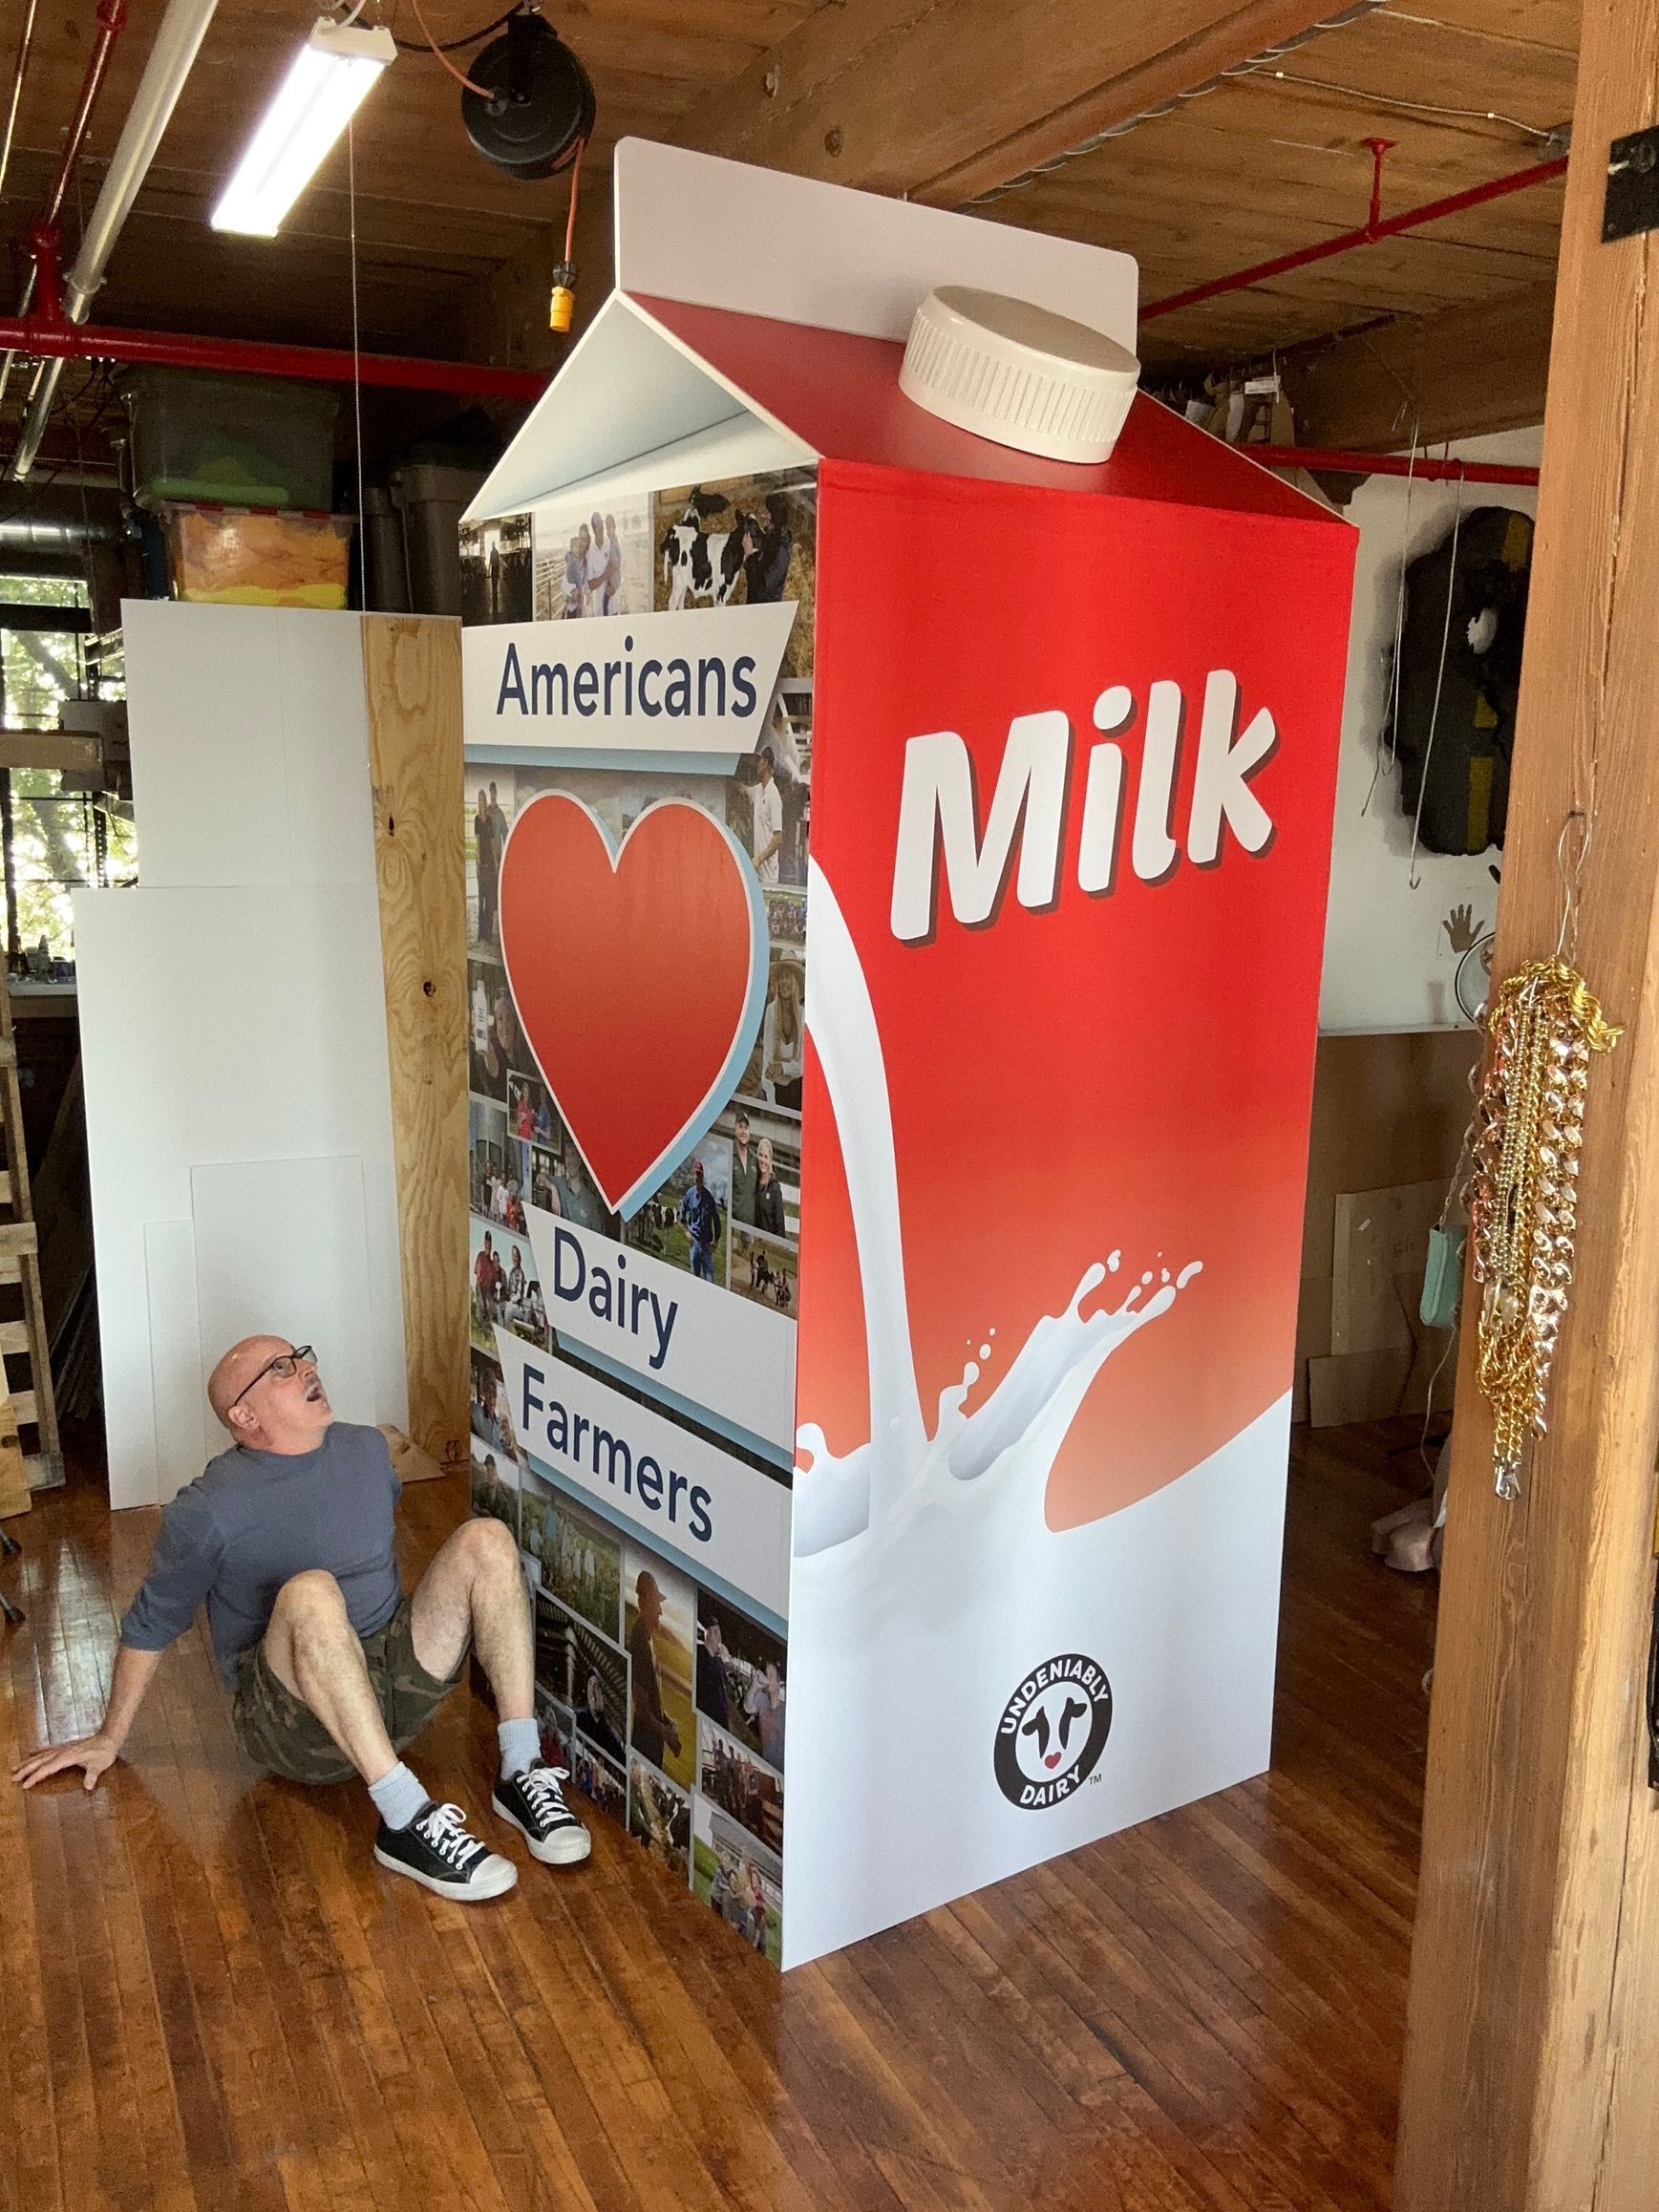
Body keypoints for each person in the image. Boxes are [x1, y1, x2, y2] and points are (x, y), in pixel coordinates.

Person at [11, 1337, 589, 1899]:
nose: (306, 1368)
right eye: (281, 1368)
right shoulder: (208, 1507)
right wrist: (110, 1737)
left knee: (486, 1539)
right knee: (312, 1592)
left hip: (395, 1691)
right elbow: (151, 1622)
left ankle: (521, 1766)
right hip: (294, 1724)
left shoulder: (368, 1450)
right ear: (244, 1415)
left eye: (302, 1356)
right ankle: (404, 1819)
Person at [628, 1570, 681, 1770]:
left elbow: (651, 1699)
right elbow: (641, 1708)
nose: (661, 1611)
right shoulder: (640, 1642)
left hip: (652, 1742)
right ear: (649, 1599)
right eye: (658, 1603)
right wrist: (666, 1734)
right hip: (645, 1744)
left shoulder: (648, 1639)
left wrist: (667, 1719)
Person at [762, 961, 804, 1112]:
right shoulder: (771, 1011)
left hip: (798, 1090)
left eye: (788, 977)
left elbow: (804, 1065)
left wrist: (783, 1067)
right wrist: (770, 1103)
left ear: (795, 982)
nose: (784, 982)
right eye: (781, 977)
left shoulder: (802, 1014)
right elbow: (767, 1056)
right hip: (776, 1088)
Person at [678, 1157, 721, 1284]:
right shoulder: (689, 1194)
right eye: (696, 1175)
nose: (698, 1177)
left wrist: (716, 1243)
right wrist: (686, 1232)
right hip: (694, 1243)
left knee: (710, 1280)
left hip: (707, 1245)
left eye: (700, 1175)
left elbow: (717, 1221)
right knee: (694, 1279)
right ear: (693, 1177)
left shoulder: (709, 1198)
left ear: (703, 1176)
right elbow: (682, 1213)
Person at [750, 746, 783, 887]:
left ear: (767, 764)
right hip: (757, 873)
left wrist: (759, 859)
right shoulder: (758, 791)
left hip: (769, 876)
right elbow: (742, 790)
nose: (757, 764)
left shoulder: (773, 796)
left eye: (760, 760)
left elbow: (778, 838)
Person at [744, 1657, 785, 1769]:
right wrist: (754, 1686)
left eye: (771, 1675)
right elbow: (748, 1708)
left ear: (778, 1684)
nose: (767, 1677)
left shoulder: (785, 1712)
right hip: (766, 1763)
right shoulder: (762, 1700)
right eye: (767, 1674)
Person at [696, 1616, 731, 1731]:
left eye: (719, 1634)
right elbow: (708, 1681)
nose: (719, 1639)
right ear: (708, 1634)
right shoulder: (700, 1654)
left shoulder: (717, 1662)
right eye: (715, 1632)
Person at [474, 788, 498, 945]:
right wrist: (477, 862)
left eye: (484, 800)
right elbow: (477, 842)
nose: (482, 803)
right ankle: (480, 934)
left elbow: (492, 843)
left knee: (489, 900)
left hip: (490, 863)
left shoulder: (490, 820)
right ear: (478, 802)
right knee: (481, 898)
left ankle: (487, 934)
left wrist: (495, 862)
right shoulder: (477, 819)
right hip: (481, 864)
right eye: (480, 800)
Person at [730, 1110, 757, 1226]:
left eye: (746, 1127)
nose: (743, 1131)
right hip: (733, 1224)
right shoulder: (729, 1155)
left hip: (751, 1225)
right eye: (740, 1127)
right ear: (735, 1129)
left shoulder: (755, 1160)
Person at [755, 1138, 786, 1240]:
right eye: (760, 1155)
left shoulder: (775, 1188)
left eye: (766, 1157)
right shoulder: (753, 1181)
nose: (762, 1160)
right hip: (753, 1238)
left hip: (769, 1242)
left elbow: (779, 1222)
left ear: (770, 1160)